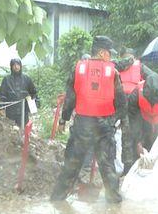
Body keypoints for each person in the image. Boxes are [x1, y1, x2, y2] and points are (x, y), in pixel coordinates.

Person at [51, 36, 128, 203]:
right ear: (101, 52)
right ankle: (114, 205)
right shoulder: (112, 72)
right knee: (108, 168)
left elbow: (70, 99)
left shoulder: (78, 69)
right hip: (104, 126)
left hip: (82, 126)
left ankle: (57, 201)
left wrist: (63, 120)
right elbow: (121, 102)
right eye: (108, 53)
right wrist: (117, 121)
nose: (110, 57)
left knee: (71, 166)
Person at [0, 58, 39, 127]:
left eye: (18, 65)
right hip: (11, 111)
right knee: (12, 130)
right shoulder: (6, 79)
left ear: (20, 66)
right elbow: (2, 94)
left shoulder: (26, 79)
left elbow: (33, 93)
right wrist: (1, 108)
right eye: (14, 65)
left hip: (23, 110)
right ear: (11, 67)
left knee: (23, 129)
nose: (16, 67)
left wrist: (35, 105)